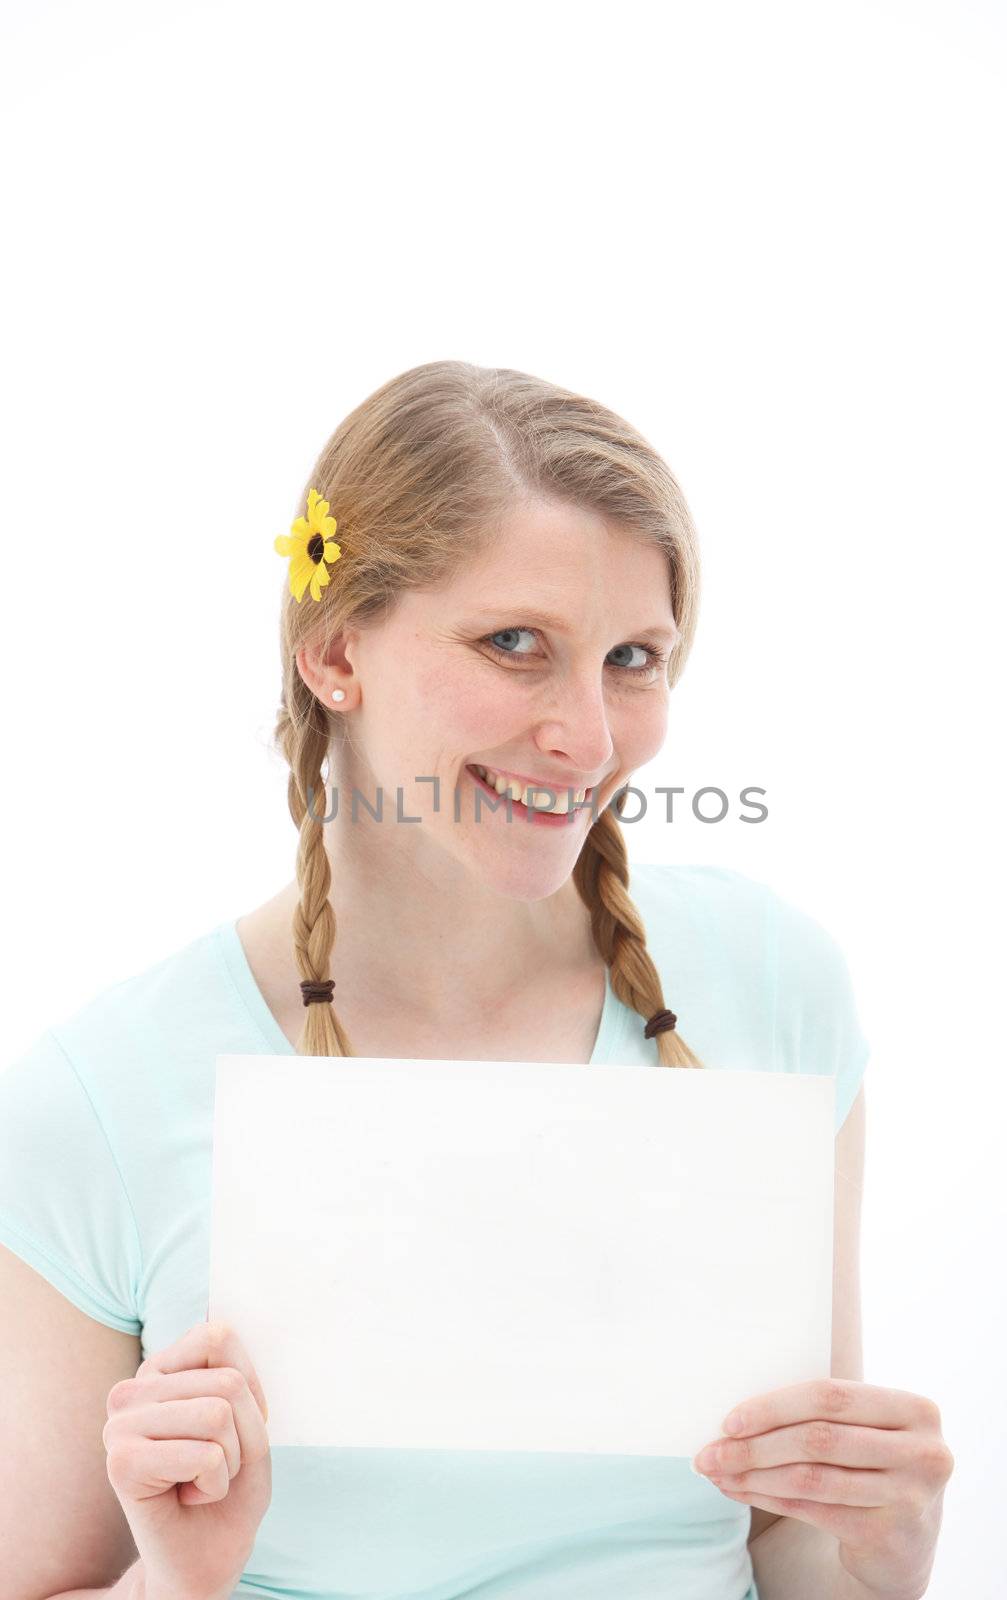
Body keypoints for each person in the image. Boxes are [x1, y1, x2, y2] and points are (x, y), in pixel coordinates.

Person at [0, 361, 950, 1600]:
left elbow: (787, 1552)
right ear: (335, 651)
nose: (589, 737)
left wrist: (887, 1546)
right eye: (515, 644)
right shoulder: (101, 1095)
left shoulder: (771, 985)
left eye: (630, 656)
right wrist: (175, 1580)